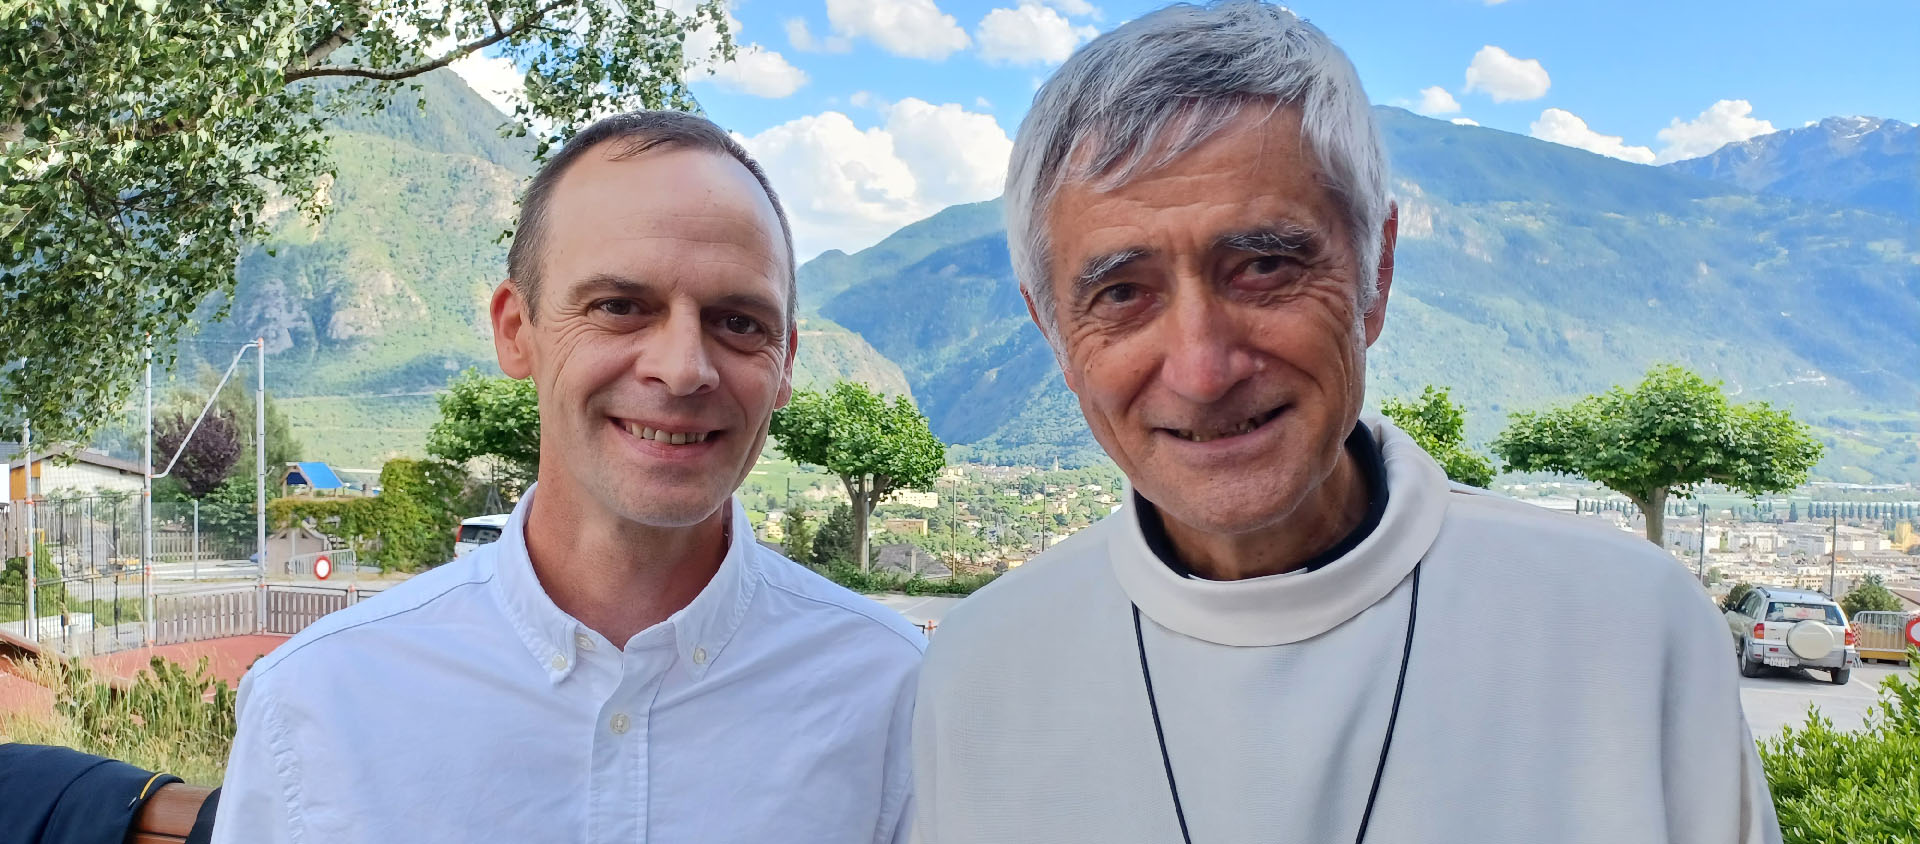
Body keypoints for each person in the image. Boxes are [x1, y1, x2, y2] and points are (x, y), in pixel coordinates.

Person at [911, 3, 1780, 843]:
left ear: (1377, 272)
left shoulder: (1626, 630)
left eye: (1262, 266)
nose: (1204, 369)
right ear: (1053, 333)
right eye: (1122, 293)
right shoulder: (983, 671)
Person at [215, 112, 925, 843]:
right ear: (516, 331)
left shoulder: (894, 697)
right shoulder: (321, 703)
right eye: (619, 307)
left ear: (784, 365)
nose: (683, 368)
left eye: (739, 322)